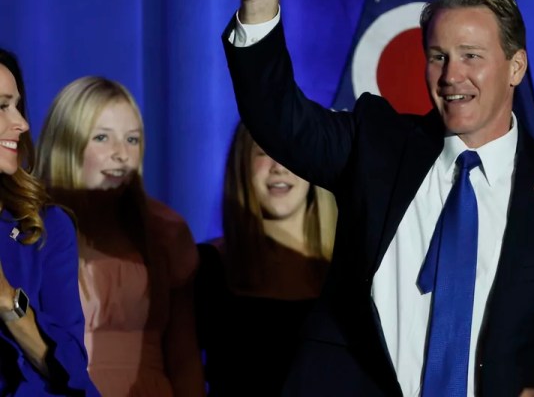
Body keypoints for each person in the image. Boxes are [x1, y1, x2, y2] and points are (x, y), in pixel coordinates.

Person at [220, 0, 534, 397]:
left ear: (515, 66)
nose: (452, 75)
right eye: (438, 56)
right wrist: (260, 2)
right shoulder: (377, 144)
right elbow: (277, 120)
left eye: (471, 55)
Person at [34, 76, 205, 396]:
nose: (121, 154)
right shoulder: (30, 231)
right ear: (65, 144)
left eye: (132, 139)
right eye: (102, 137)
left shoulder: (165, 232)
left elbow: (184, 359)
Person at [194, 120, 337, 395]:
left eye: (291, 152)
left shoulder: (348, 272)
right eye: (263, 152)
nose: (279, 166)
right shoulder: (206, 268)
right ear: (242, 164)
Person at [0, 49, 98, 395]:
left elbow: (72, 373)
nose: (22, 124)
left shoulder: (43, 227)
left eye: (17, 106)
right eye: (2, 106)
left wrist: (7, 300)